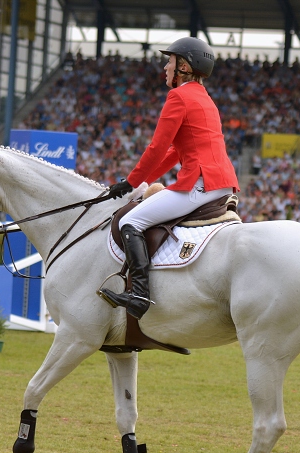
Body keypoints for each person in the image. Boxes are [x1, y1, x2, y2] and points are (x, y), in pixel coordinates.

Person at [99, 37, 240, 319]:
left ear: (184, 67)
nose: (165, 67)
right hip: (221, 182)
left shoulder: (179, 96)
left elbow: (158, 147)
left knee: (130, 221)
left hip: (200, 183)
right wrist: (140, 182)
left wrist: (129, 181)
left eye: (170, 62)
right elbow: (176, 152)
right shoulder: (205, 99)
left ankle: (138, 293)